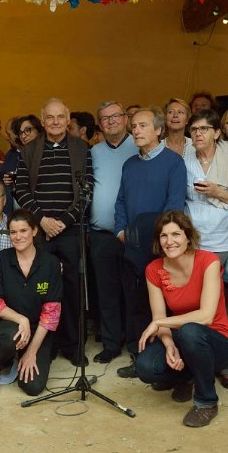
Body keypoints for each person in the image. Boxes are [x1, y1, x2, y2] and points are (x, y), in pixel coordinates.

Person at [136, 211, 228, 428]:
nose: (169, 241)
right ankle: (185, 377)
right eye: (164, 236)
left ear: (188, 237)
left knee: (191, 330)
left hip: (218, 340)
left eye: (176, 234)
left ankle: (206, 402)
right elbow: (160, 317)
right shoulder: (153, 270)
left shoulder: (208, 261)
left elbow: (206, 315)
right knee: (145, 367)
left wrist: (159, 324)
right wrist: (169, 343)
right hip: (183, 338)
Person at [15, 97, 92, 366]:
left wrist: (65, 221)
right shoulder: (29, 150)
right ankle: (45, 344)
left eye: (61, 117)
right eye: (50, 117)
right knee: (41, 289)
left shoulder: (82, 148)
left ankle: (73, 346)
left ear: (68, 118)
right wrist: (42, 220)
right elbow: (21, 190)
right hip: (40, 232)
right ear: (43, 119)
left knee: (72, 290)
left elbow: (87, 191)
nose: (56, 122)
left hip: (70, 231)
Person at [114, 107, 187, 377]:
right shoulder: (130, 165)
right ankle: (139, 356)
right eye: (134, 126)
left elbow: (175, 207)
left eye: (143, 125)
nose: (136, 130)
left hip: (161, 248)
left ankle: (166, 360)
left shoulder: (173, 162)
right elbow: (121, 200)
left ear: (159, 130)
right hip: (131, 246)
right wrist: (120, 229)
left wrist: (162, 241)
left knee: (162, 303)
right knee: (135, 302)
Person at [184, 109, 228, 389]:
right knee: (193, 303)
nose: (198, 134)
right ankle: (196, 364)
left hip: (225, 241)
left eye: (204, 129)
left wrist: (216, 191)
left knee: (223, 306)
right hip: (195, 243)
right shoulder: (184, 160)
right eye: (194, 129)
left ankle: (226, 364)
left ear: (216, 133)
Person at [0, 209, 63, 397]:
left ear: (34, 231)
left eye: (23, 231)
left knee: (33, 388)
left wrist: (31, 352)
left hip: (40, 329)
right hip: (10, 325)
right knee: (11, 335)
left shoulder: (50, 263)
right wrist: (21, 320)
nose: (18, 237)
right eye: (13, 232)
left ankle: (22, 355)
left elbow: (51, 314)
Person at [89, 101, 138, 363]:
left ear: (125, 119)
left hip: (132, 235)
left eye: (115, 116)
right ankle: (110, 343)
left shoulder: (139, 146)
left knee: (132, 293)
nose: (110, 122)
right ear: (100, 124)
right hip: (101, 234)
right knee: (106, 293)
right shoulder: (93, 152)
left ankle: (134, 344)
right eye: (104, 118)